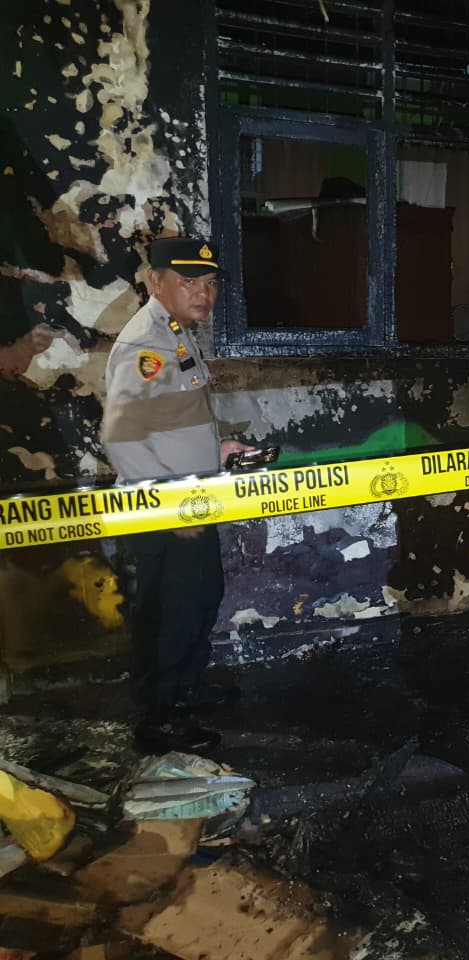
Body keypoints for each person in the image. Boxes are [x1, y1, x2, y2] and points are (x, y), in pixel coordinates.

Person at [101, 236, 256, 752]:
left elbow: (169, 419)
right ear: (156, 282)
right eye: (189, 282)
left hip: (190, 499)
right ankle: (159, 721)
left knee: (199, 599)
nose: (203, 294)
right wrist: (171, 512)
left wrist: (219, 448)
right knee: (168, 615)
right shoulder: (146, 344)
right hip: (164, 513)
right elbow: (122, 436)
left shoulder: (175, 332)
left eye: (209, 283)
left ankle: (185, 691)